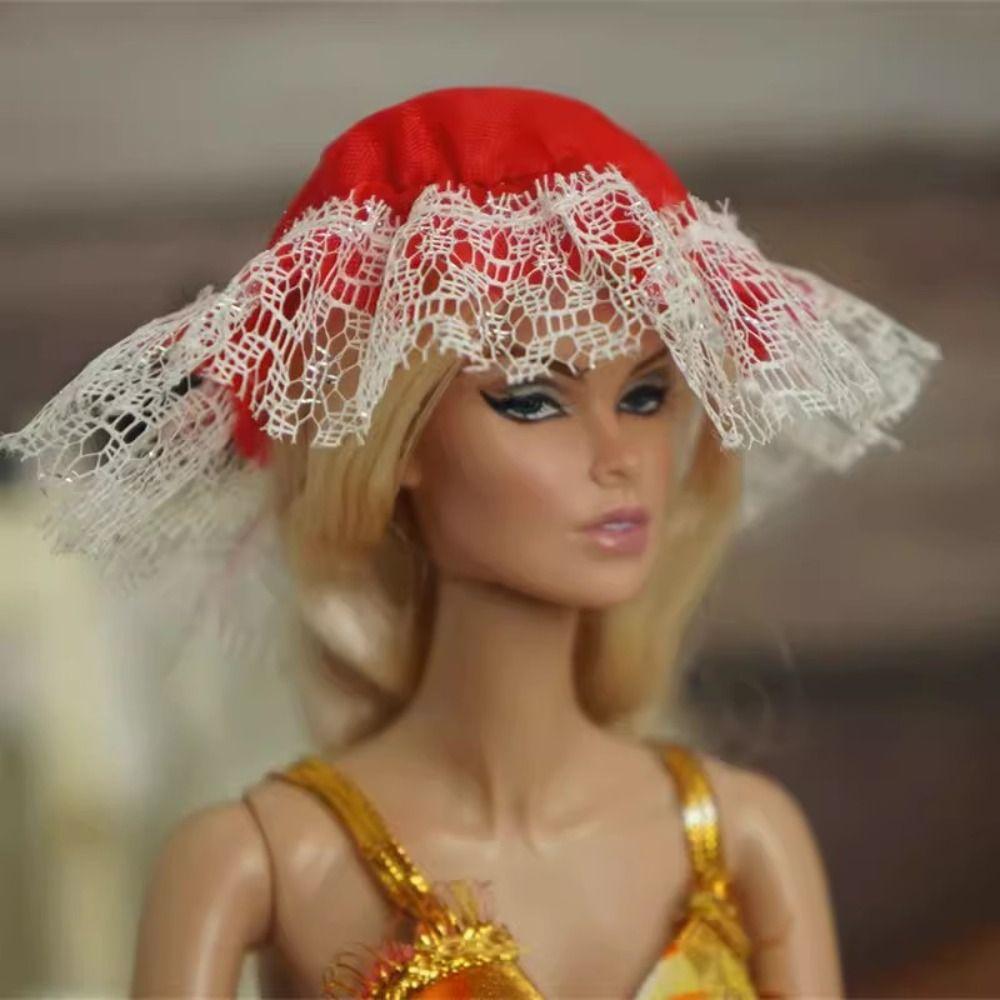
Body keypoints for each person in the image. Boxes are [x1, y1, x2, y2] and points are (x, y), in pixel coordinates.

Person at [1, 86, 941, 998]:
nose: (620, 457)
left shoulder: (744, 839)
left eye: (647, 395)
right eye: (532, 400)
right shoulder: (256, 863)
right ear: (397, 440)